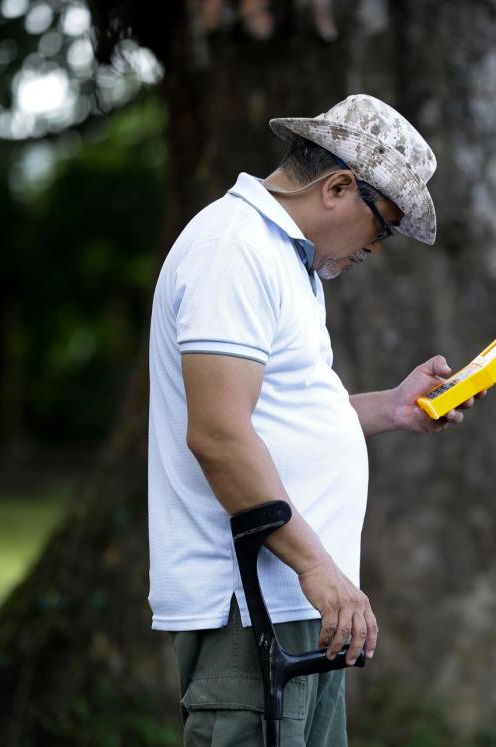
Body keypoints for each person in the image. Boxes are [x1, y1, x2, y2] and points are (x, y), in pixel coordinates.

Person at [146, 93, 478, 746]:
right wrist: (318, 568)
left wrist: (392, 408)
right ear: (338, 187)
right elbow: (219, 433)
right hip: (253, 607)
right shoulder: (233, 250)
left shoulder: (289, 262)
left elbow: (281, 414)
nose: (377, 248)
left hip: (300, 603)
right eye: (383, 226)